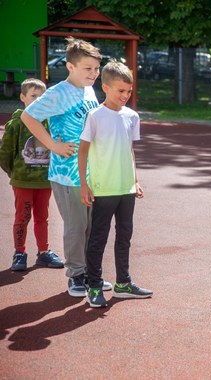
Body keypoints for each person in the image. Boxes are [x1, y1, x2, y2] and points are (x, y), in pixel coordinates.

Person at [20, 37, 112, 296]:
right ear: (70, 67)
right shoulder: (58, 93)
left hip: (92, 172)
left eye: (96, 68)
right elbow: (29, 116)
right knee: (76, 227)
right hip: (67, 174)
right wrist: (52, 145)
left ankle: (91, 273)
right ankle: (76, 275)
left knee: (93, 227)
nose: (93, 74)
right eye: (88, 68)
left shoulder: (89, 90)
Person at [78, 61, 152, 308]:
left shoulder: (132, 116)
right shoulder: (95, 116)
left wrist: (136, 180)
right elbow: (83, 152)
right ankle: (94, 285)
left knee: (125, 236)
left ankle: (123, 284)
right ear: (105, 87)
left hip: (126, 189)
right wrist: (84, 185)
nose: (125, 96)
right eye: (120, 91)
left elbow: (129, 150)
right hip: (103, 188)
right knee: (98, 237)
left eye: (128, 91)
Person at [0, 78, 64, 271]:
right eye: (33, 96)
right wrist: (16, 173)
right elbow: (5, 153)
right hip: (23, 182)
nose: (38, 100)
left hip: (44, 182)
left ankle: (43, 252)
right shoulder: (16, 123)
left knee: (42, 217)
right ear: (22, 97)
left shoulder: (51, 122)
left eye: (42, 96)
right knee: (23, 217)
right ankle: (19, 253)